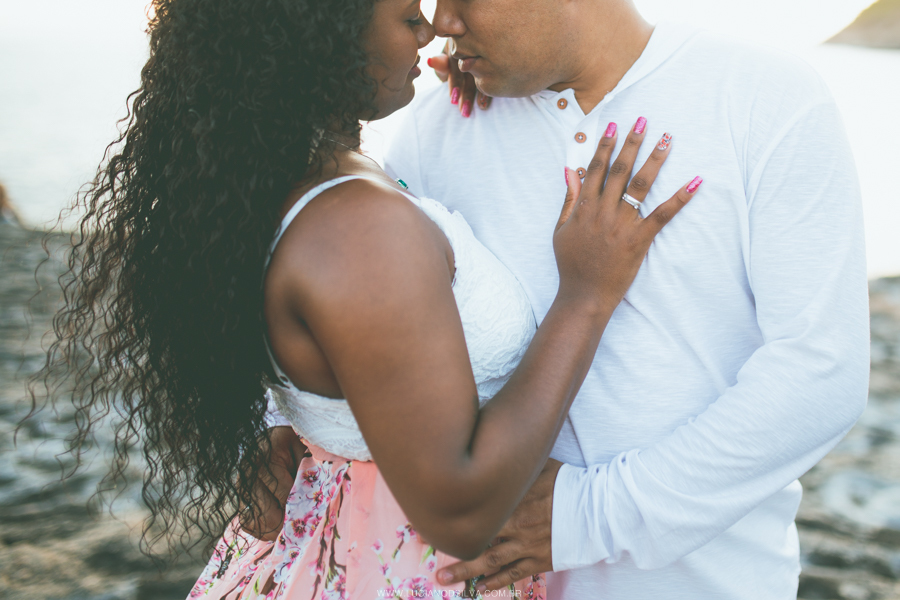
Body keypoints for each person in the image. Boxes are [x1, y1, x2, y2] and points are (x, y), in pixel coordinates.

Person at [28, 0, 698, 599]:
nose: (433, 27)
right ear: (318, 36)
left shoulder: (275, 174)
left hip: (331, 543)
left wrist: (497, 79)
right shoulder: (358, 230)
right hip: (393, 566)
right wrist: (585, 295)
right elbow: (459, 513)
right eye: (406, 16)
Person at [366, 0, 867, 598]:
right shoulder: (438, 124)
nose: (443, 24)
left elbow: (820, 373)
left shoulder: (764, 96)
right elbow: (366, 322)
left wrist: (586, 516)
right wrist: (277, 422)